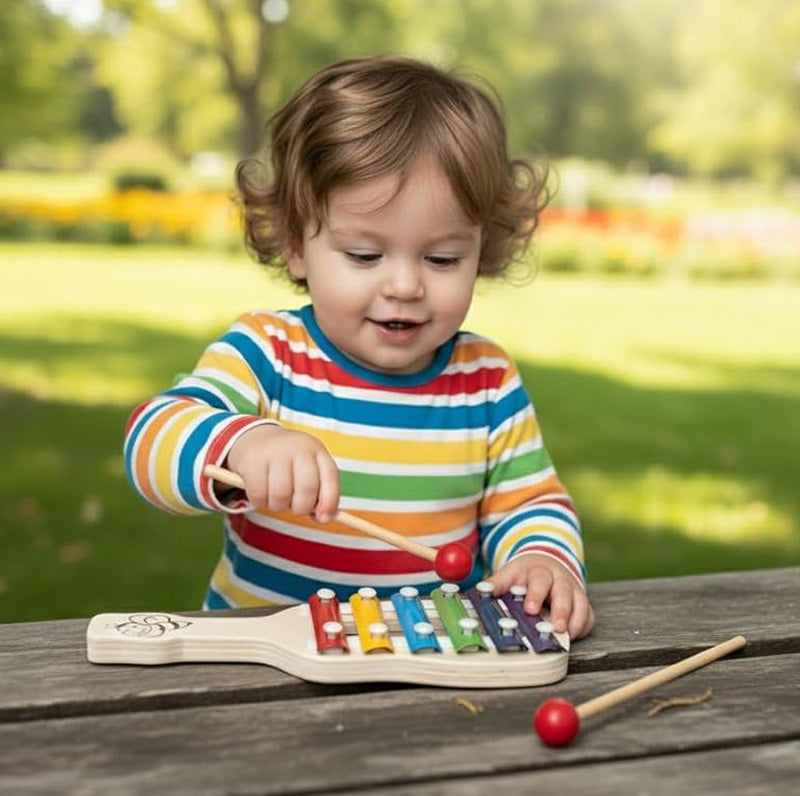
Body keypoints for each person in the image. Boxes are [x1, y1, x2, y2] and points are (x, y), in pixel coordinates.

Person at [124, 54, 594, 640]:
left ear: (482, 250)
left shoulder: (487, 381)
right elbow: (151, 440)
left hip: (433, 660)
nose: (404, 286)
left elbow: (528, 503)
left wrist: (544, 559)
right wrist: (243, 443)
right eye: (365, 256)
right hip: (267, 662)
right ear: (297, 244)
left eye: (442, 258)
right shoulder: (269, 353)